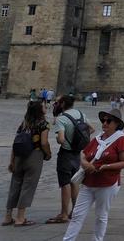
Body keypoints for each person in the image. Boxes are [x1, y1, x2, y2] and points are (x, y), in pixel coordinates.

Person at [62, 108, 124, 241]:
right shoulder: (97, 139)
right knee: (77, 215)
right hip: (89, 183)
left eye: (108, 121)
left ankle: (97, 239)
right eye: (103, 120)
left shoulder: (121, 140)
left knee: (101, 215)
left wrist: (105, 167)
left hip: (107, 183)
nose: (104, 123)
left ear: (116, 124)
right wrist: (83, 162)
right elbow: (83, 153)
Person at [3, 101, 51, 227]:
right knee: (28, 186)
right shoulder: (43, 124)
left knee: (15, 184)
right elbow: (44, 143)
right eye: (44, 107)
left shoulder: (24, 123)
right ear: (40, 110)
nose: (46, 108)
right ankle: (20, 218)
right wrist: (48, 154)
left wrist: (12, 160)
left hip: (18, 156)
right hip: (34, 156)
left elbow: (16, 141)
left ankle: (8, 217)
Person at [47, 95, 91, 225]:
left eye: (58, 102)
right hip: (77, 153)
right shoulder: (81, 114)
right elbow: (91, 129)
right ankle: (75, 211)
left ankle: (64, 213)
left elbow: (60, 139)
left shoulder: (62, 118)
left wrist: (63, 140)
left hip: (66, 154)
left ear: (63, 104)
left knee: (65, 183)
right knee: (74, 181)